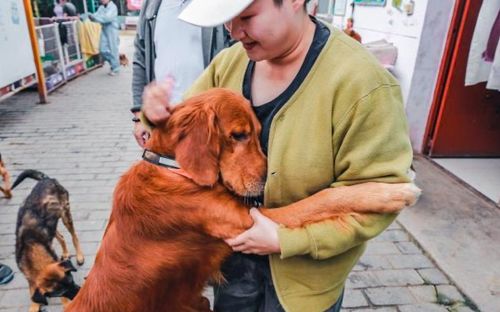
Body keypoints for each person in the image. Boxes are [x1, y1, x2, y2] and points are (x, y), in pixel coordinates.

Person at [142, 0, 413, 311]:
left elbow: (381, 197)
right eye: (228, 20)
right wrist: (157, 116)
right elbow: (185, 129)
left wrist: (288, 240)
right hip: (229, 271)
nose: (234, 32)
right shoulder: (229, 62)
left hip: (304, 286)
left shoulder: (364, 84)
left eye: (246, 16)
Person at [130, 0, 230, 147]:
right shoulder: (152, 4)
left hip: (208, 119)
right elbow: (141, 56)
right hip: (163, 120)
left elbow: (236, 51)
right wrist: (139, 116)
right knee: (165, 169)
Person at [89, 0, 121, 76]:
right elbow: (95, 16)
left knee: (113, 49)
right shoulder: (101, 8)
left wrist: (95, 17)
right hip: (104, 29)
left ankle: (116, 68)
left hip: (112, 30)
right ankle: (115, 63)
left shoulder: (113, 7)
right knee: (102, 49)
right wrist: (89, 16)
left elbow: (107, 18)